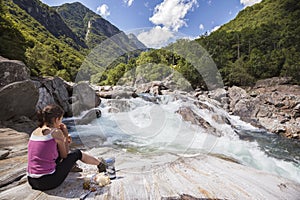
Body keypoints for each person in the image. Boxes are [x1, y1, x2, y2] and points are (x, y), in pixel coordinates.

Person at [27, 104, 106, 191]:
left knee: (55, 153)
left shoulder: (34, 132)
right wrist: (65, 134)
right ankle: (100, 164)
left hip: (32, 180)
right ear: (56, 119)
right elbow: (65, 155)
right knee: (77, 153)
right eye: (61, 119)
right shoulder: (56, 132)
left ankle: (73, 167)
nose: (61, 122)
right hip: (47, 181)